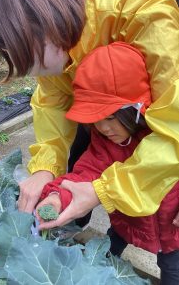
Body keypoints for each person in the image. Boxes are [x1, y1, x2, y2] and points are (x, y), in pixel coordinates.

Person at [0, 0, 179, 234]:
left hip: (146, 117)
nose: (28, 70)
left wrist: (105, 190)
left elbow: (173, 122)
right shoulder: (51, 45)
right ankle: (71, 224)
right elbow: (51, 102)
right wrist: (45, 168)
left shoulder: (142, 9)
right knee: (82, 162)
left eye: (27, 56)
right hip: (96, 113)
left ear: (48, 22)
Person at [35, 42, 179, 284]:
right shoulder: (105, 142)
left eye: (110, 117)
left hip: (172, 232)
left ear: (136, 109)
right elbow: (84, 173)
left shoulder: (169, 135)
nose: (102, 127)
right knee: (105, 254)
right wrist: (57, 196)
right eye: (95, 119)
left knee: (172, 270)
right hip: (127, 222)